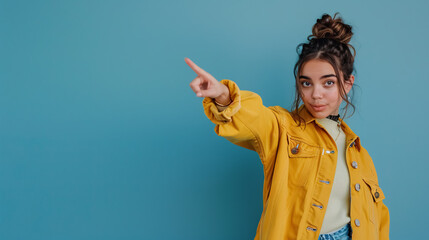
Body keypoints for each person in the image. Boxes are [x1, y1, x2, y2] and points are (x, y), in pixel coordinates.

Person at [185, 12, 390, 240]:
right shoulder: (283, 128)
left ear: (348, 83)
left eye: (328, 82)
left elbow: (378, 219)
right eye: (306, 83)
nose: (315, 95)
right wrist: (224, 96)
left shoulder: (360, 156)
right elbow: (254, 120)